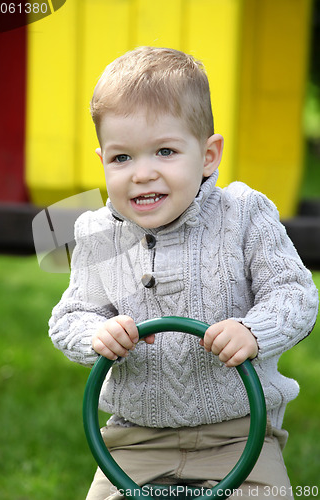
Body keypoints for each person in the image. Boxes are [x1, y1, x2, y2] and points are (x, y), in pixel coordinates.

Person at [49, 46, 319, 499]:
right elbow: (68, 316)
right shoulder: (96, 231)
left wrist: (253, 331)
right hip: (136, 438)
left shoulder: (244, 215)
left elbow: (296, 294)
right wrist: (97, 334)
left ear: (209, 155)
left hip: (239, 435)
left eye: (165, 151)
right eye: (122, 158)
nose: (142, 173)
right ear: (102, 162)